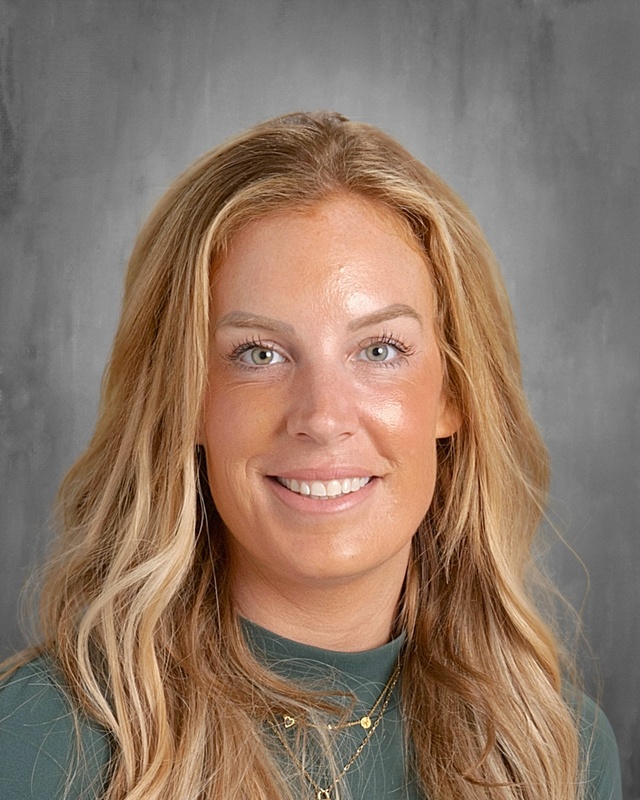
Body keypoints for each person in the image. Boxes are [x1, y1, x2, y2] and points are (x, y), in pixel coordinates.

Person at [0, 111, 621, 800]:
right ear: (186, 402)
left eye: (379, 350)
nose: (323, 417)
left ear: (454, 394)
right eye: (258, 354)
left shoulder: (558, 749)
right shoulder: (39, 741)